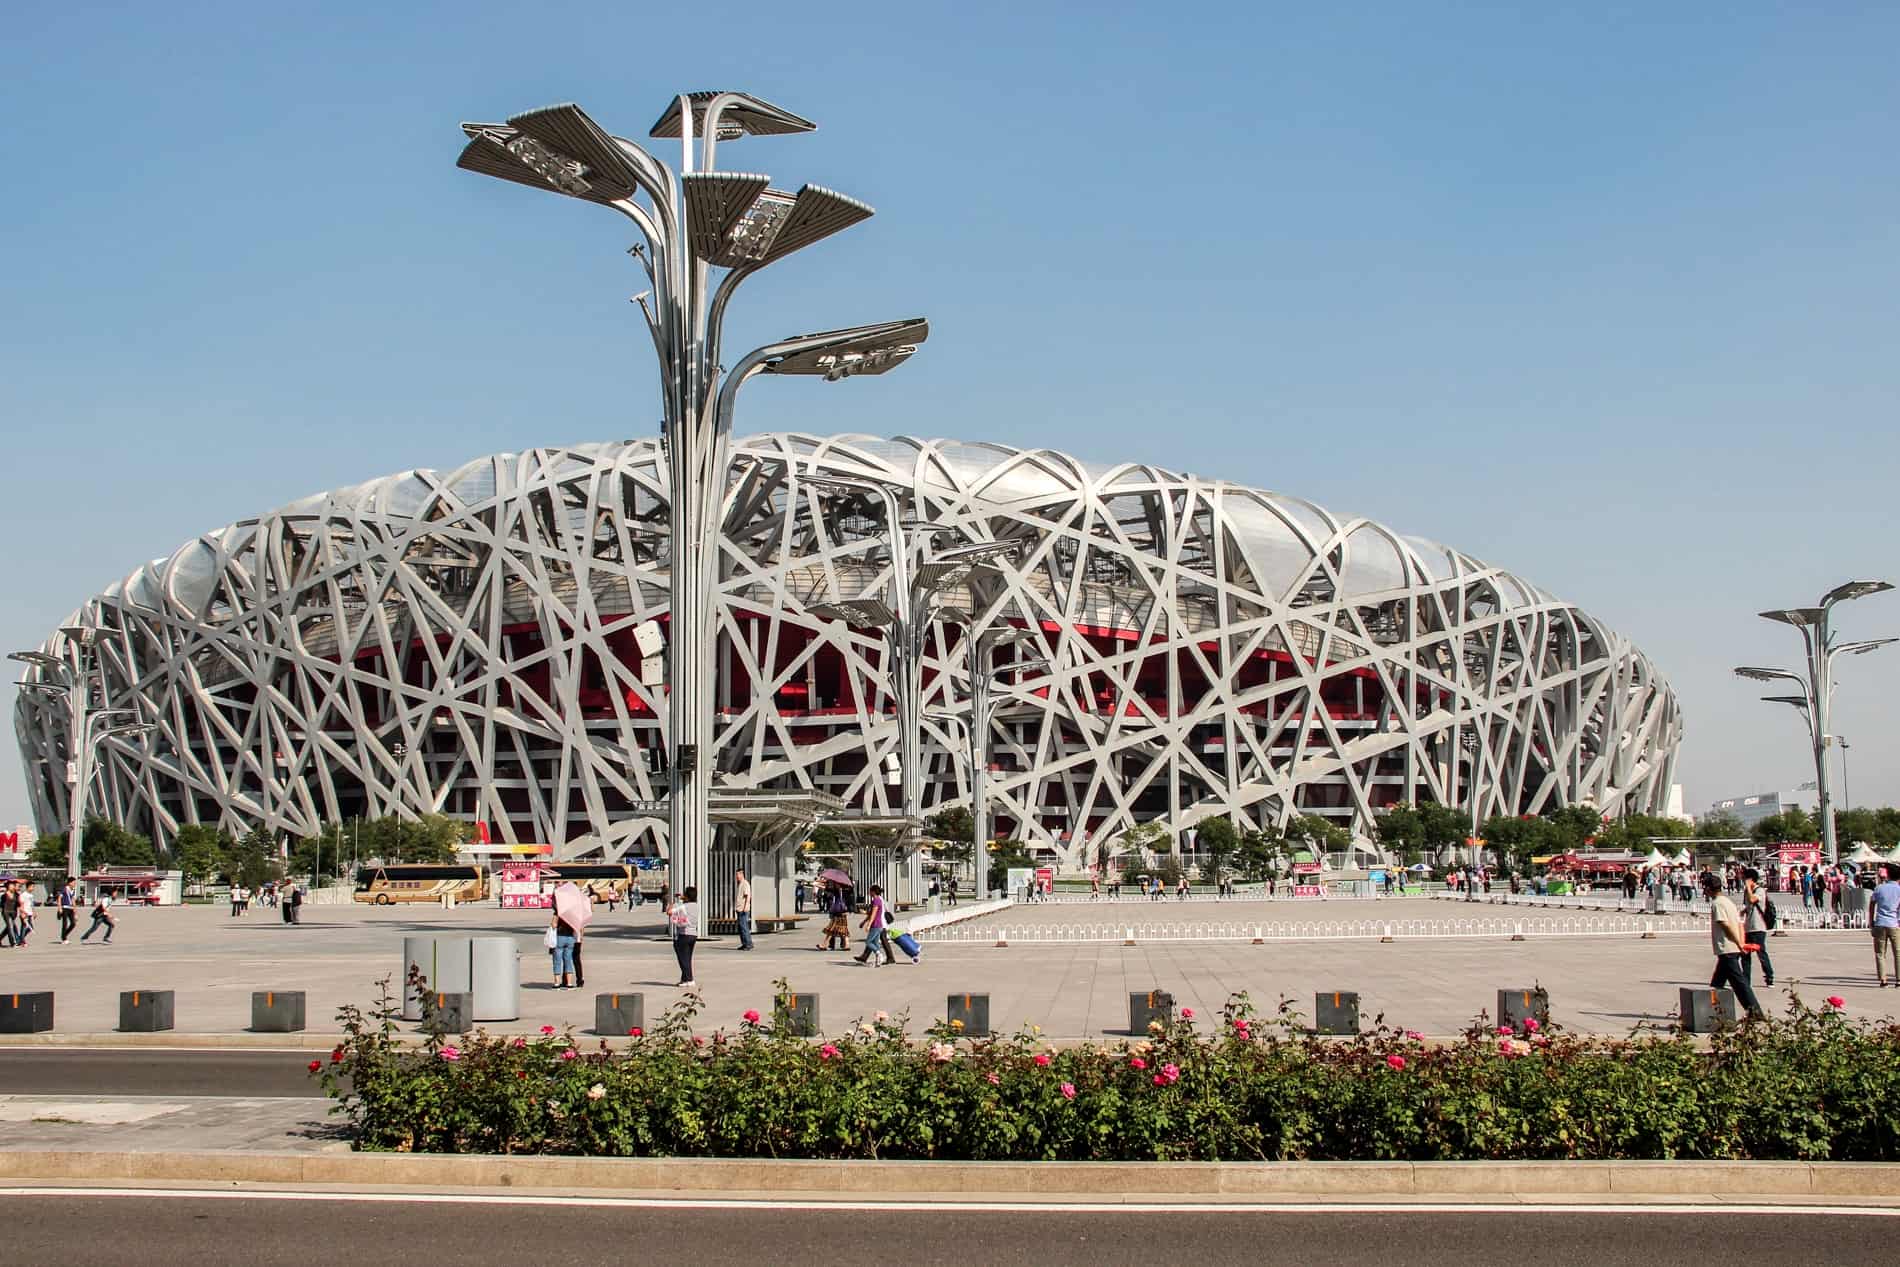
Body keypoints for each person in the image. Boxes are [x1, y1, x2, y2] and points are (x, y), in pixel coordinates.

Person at [1701, 872, 1765, 1021]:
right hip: (1730, 948)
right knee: (1717, 984)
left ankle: (1756, 1013)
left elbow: (1726, 926)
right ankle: (1709, 1011)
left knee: (1740, 984)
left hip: (1727, 948)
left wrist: (1738, 943)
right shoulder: (1728, 902)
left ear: (1710, 889)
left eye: (1705, 888)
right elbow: (1738, 924)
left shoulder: (1717, 904)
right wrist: (1741, 942)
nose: (1705, 891)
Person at [1740, 867, 1773, 988]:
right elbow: (1748, 904)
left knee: (1761, 953)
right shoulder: (1746, 890)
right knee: (1745, 954)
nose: (1743, 880)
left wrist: (1749, 887)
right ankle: (1746, 980)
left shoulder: (1760, 890)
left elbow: (1753, 899)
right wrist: (1743, 911)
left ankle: (1769, 977)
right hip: (1748, 926)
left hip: (1758, 927)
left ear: (1751, 879)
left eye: (1745, 878)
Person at [1870, 864, 1900, 988]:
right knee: (1898, 952)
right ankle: (1898, 980)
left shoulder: (1879, 888)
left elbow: (1872, 905)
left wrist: (1871, 921)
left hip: (1880, 923)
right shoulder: (1899, 889)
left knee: (1880, 953)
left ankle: (1883, 979)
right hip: (1894, 923)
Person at [669, 885, 700, 990]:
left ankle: (690, 979)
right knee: (688, 958)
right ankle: (685, 979)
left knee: (683, 958)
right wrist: (684, 898)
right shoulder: (696, 905)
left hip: (684, 934)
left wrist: (673, 902)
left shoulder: (682, 906)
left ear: (686, 896)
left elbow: (669, 912)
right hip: (693, 934)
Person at [853, 884, 890, 966]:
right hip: (878, 925)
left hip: (876, 925)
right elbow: (870, 914)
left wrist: (869, 924)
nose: (869, 892)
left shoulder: (876, 900)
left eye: (870, 891)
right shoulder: (876, 900)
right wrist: (864, 922)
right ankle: (878, 961)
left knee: (868, 942)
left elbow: (873, 914)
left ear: (873, 891)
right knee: (875, 943)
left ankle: (879, 954)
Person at [549, 914, 577, 989]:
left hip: (560, 937)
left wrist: (553, 922)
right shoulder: (573, 914)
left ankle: (557, 983)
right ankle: (569, 983)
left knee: (557, 961)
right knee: (568, 960)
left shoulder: (558, 912)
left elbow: (554, 925)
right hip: (570, 938)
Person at [734, 867, 754, 952]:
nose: (737, 876)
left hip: (743, 909)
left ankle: (748, 944)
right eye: (736, 875)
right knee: (741, 927)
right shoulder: (740, 884)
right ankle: (744, 943)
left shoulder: (745, 884)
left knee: (744, 927)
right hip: (739, 909)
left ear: (742, 874)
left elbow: (748, 896)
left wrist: (746, 906)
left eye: (738, 874)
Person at [56, 878, 77, 945]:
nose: (74, 884)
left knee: (73, 923)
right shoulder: (64, 889)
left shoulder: (73, 890)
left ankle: (64, 935)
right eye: (73, 882)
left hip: (70, 908)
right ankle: (64, 938)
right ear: (69, 883)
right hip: (64, 908)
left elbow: (73, 900)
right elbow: (59, 898)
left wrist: (75, 911)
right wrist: (59, 908)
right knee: (65, 924)